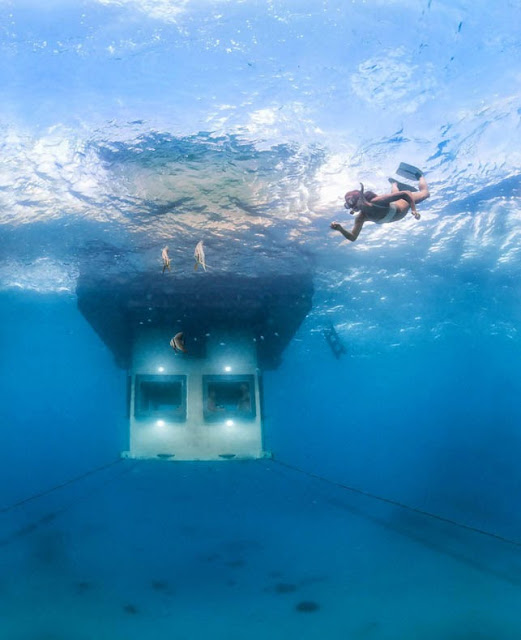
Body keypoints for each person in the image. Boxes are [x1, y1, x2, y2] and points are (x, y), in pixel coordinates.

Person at [330, 174, 430, 243]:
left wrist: (413, 209)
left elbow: (406, 194)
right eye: (348, 205)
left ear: (360, 198)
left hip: (404, 202)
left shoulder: (377, 201)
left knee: (425, 194)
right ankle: (394, 184)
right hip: (396, 206)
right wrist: (340, 229)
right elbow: (353, 237)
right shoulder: (361, 218)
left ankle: (419, 176)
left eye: (351, 202)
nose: (352, 207)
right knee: (394, 195)